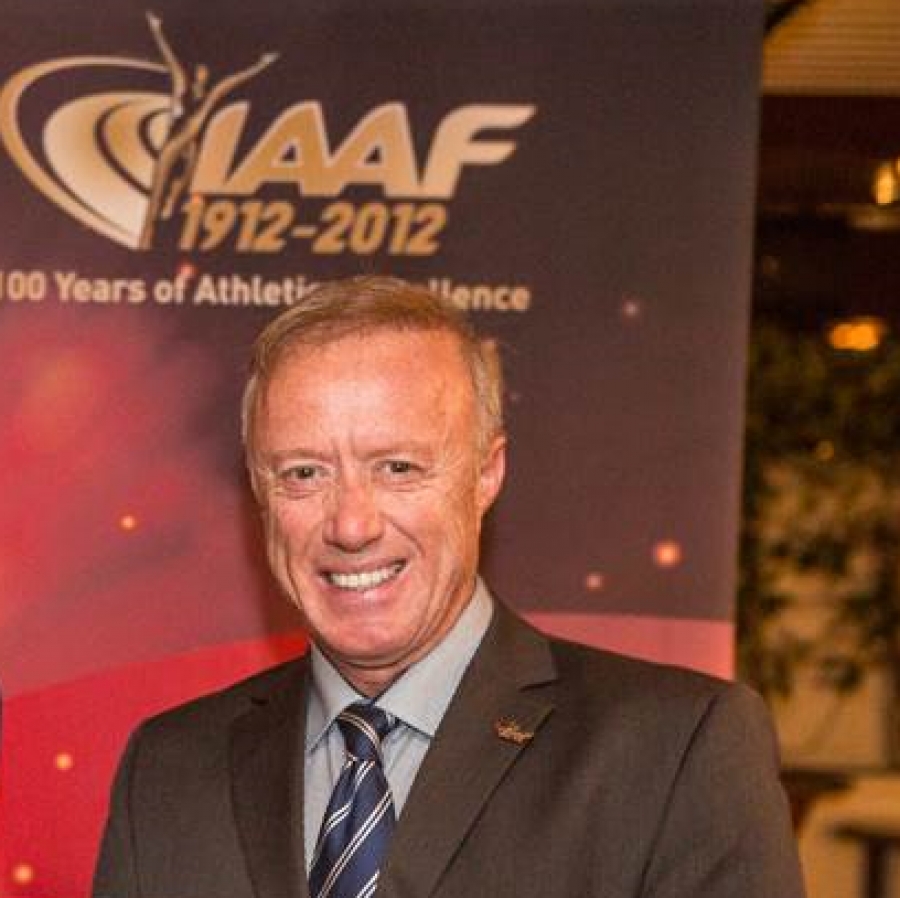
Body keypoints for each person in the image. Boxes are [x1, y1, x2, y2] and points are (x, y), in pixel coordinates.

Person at [93, 276, 806, 898]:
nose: (351, 524)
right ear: (259, 490)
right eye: (304, 473)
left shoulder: (673, 753)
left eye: (398, 468)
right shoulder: (170, 767)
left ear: (486, 474)